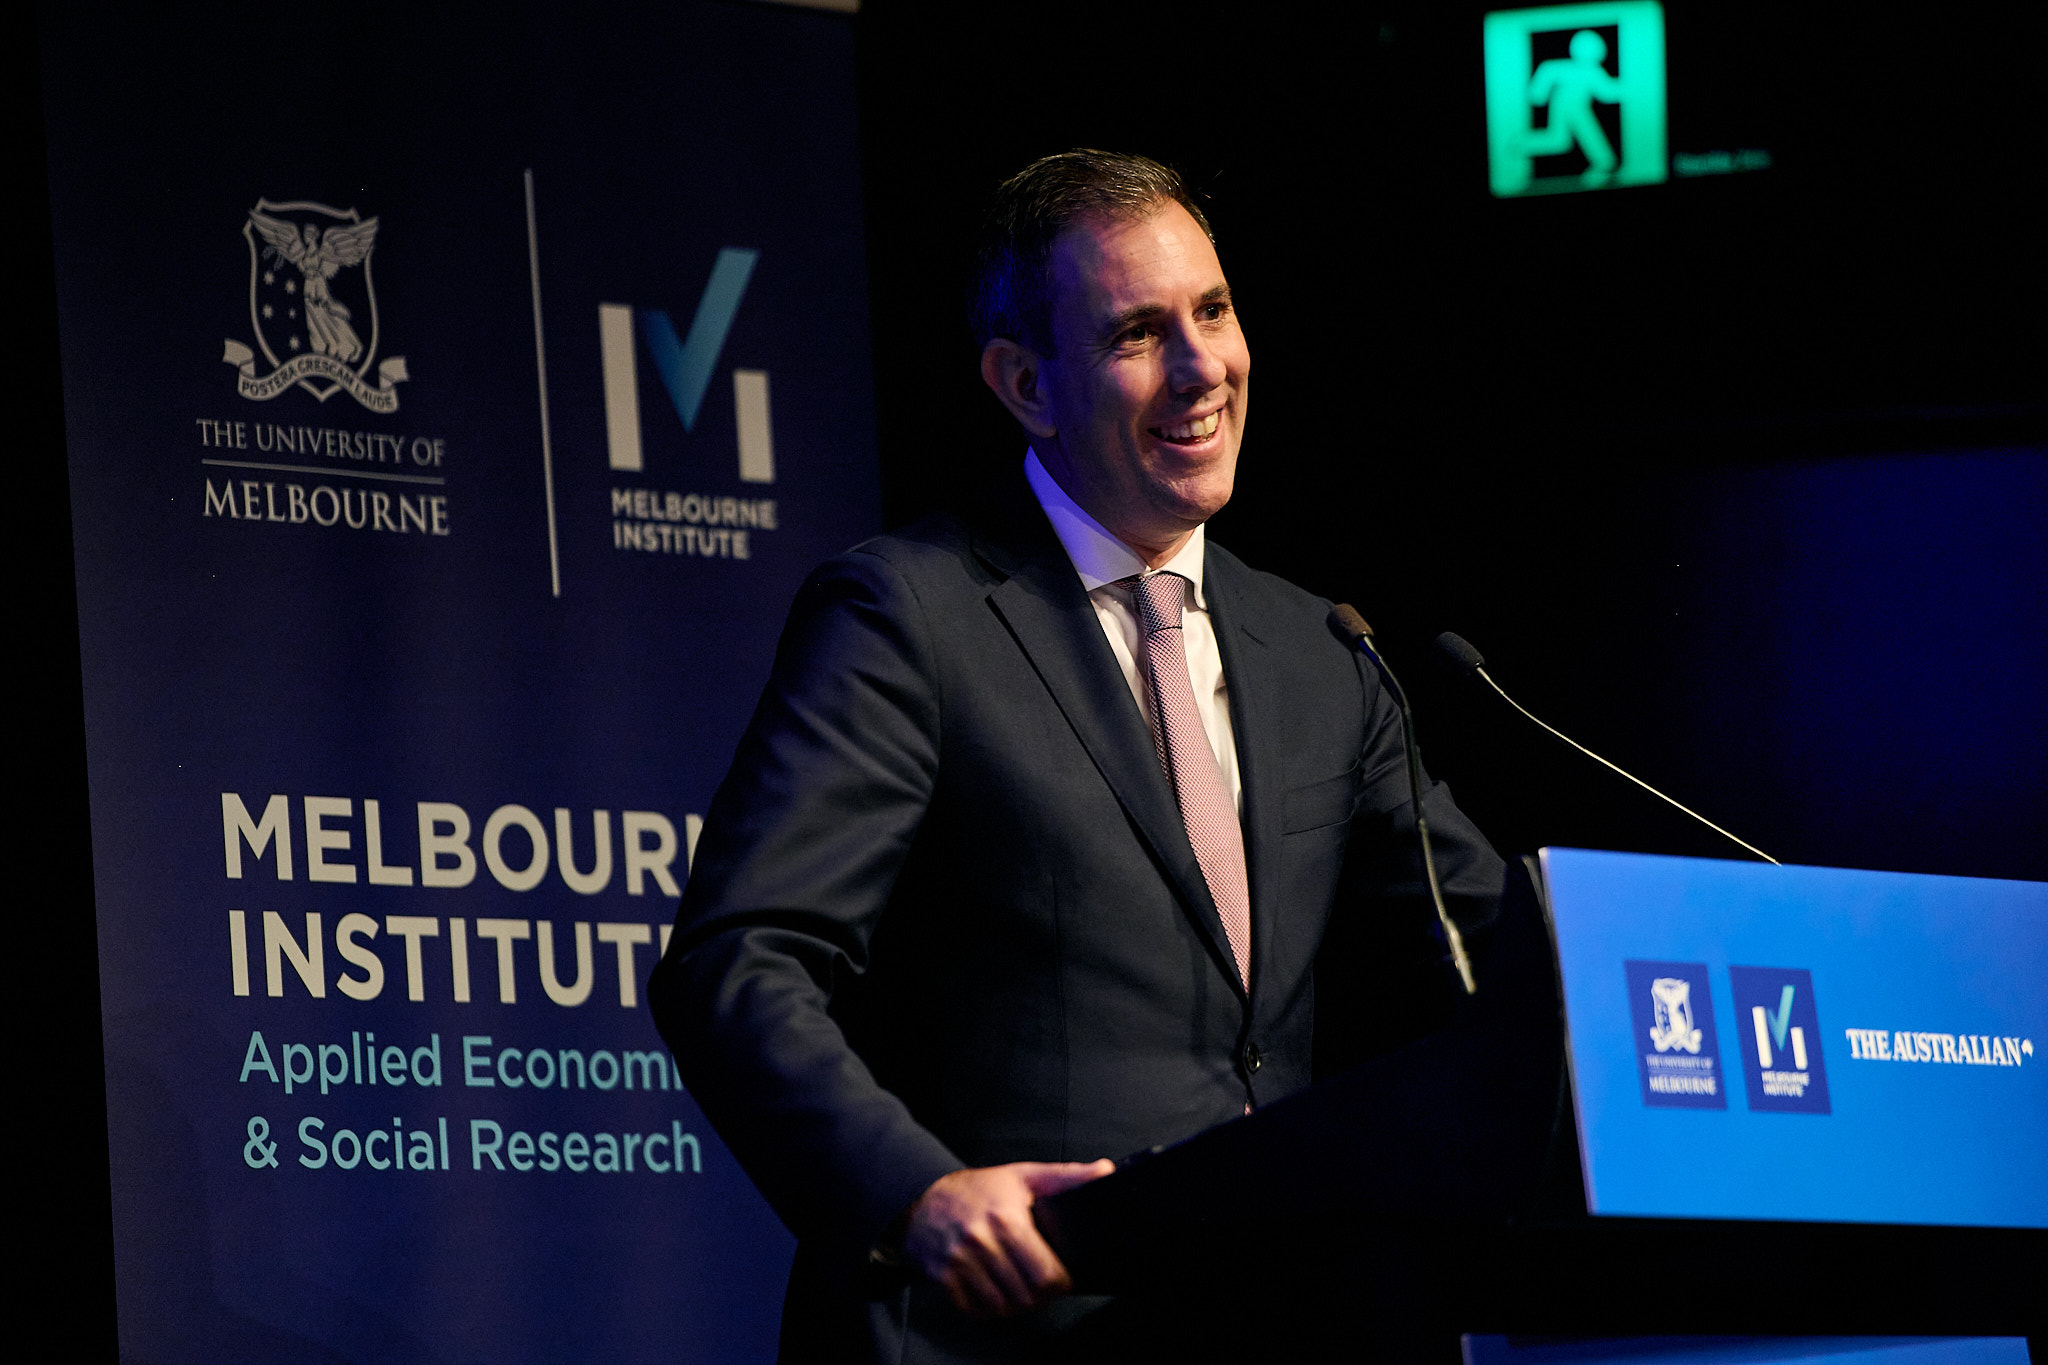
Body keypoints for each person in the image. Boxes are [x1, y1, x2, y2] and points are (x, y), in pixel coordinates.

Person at [648, 149, 1504, 1363]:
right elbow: (737, 963)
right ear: (1024, 384)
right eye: (1136, 334)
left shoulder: (1320, 651)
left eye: (1213, 311)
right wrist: (914, 1196)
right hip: (993, 1331)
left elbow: (1490, 946)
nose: (1201, 368)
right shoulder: (909, 617)